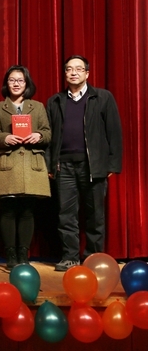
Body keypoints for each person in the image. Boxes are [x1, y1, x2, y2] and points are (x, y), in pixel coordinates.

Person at [45, 55, 122, 271]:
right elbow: (49, 137)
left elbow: (114, 132)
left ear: (87, 73)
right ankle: (70, 257)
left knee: (95, 215)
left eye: (79, 69)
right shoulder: (55, 101)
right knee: (66, 215)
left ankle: (93, 258)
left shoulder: (103, 97)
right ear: (65, 74)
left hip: (93, 166)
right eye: (69, 69)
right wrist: (50, 165)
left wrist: (112, 165)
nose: (74, 73)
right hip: (63, 167)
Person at [0, 65, 51, 269]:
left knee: (27, 212)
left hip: (31, 165)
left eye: (20, 80)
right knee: (7, 211)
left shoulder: (38, 107)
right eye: (12, 80)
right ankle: (10, 254)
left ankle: (23, 254)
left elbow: (48, 133)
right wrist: (5, 138)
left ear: (27, 84)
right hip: (8, 164)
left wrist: (38, 135)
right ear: (6, 83)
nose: (16, 84)